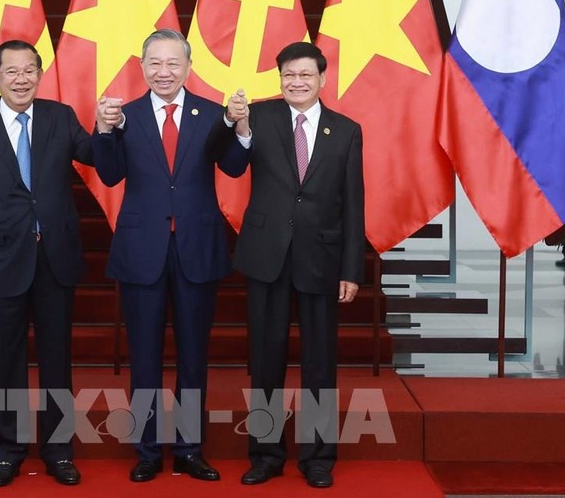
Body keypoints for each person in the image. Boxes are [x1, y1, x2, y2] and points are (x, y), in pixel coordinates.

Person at [208, 41, 365, 489]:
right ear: (279, 79)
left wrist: (351, 269)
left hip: (322, 258)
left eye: (305, 76)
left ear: (321, 79)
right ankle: (265, 454)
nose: (296, 82)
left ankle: (318, 459)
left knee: (320, 364)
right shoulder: (258, 116)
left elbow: (354, 204)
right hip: (266, 256)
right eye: (288, 76)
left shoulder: (346, 130)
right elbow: (230, 165)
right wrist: (232, 125)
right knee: (265, 360)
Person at [91, 29, 245, 483]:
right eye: (155, 63)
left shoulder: (212, 114)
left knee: (194, 358)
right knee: (144, 358)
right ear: (142, 67)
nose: (164, 72)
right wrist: (102, 130)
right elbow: (111, 173)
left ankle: (190, 449)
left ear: (188, 66)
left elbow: (234, 166)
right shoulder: (124, 115)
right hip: (142, 251)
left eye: (173, 63)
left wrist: (242, 128)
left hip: (197, 247)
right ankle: (146, 450)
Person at [0, 40, 93, 488]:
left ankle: (58, 451)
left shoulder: (60, 117)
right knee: (4, 361)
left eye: (29, 70)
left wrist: (111, 127)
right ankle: (8, 451)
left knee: (57, 359)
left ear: (39, 73)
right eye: (11, 71)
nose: (21, 79)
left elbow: (95, 157)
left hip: (55, 259)